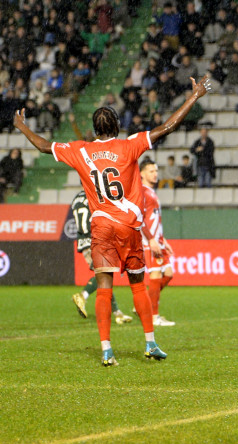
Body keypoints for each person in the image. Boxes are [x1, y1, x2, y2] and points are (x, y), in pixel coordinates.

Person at [14, 75, 212, 366]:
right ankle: (150, 343)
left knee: (104, 287)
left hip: (102, 226)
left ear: (95, 130)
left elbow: (44, 146)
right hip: (128, 226)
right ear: (117, 127)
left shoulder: (81, 150)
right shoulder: (129, 145)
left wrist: (21, 127)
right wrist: (194, 97)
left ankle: (107, 350)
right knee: (137, 286)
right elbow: (167, 127)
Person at [70, 189, 133, 325]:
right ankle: (83, 295)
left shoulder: (76, 199)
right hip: (95, 239)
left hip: (83, 241)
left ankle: (117, 313)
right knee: (104, 275)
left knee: (104, 276)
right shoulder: (95, 195)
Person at [139, 159, 176, 326]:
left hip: (158, 240)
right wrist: (151, 239)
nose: (155, 174)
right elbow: (139, 218)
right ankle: (153, 316)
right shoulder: (142, 192)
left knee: (168, 273)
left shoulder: (151, 192)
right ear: (142, 173)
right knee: (155, 275)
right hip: (149, 241)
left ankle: (144, 303)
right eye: (151, 171)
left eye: (156, 171)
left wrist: (163, 240)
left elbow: (154, 219)